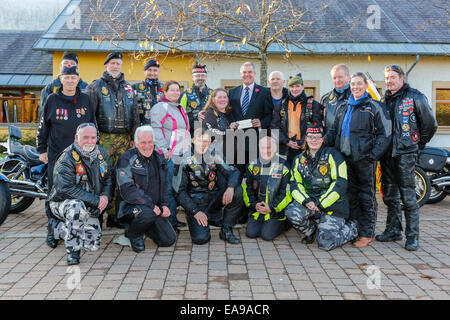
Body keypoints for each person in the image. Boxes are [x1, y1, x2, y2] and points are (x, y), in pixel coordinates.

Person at [325, 72, 392, 248]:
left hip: (364, 160)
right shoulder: (344, 106)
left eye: (359, 84)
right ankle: (355, 228)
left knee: (366, 196)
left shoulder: (374, 106)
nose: (355, 87)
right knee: (350, 195)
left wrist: (372, 156)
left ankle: (367, 233)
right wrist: (318, 143)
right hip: (345, 159)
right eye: (353, 84)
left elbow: (385, 134)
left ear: (365, 85)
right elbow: (333, 132)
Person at [376, 65, 438, 251]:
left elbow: (430, 125)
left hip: (405, 155)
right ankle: (393, 230)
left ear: (401, 78)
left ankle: (412, 237)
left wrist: (416, 146)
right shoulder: (384, 99)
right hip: (387, 155)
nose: (389, 81)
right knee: (389, 196)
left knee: (408, 197)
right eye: (387, 78)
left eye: (393, 77)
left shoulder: (415, 97)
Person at [36, 65, 97, 249]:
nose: (70, 81)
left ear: (78, 79)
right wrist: (41, 150)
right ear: (61, 79)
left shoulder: (86, 99)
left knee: (81, 190)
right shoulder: (52, 99)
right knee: (55, 193)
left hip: (82, 155)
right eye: (67, 77)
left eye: (73, 77)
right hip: (57, 155)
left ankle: (79, 227)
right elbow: (43, 127)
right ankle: (52, 230)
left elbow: (93, 125)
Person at [85, 51, 139, 227]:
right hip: (104, 139)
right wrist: (94, 138)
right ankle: (97, 214)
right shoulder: (95, 87)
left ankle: (116, 215)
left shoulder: (129, 88)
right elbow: (90, 115)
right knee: (100, 177)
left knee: (121, 177)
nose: (115, 66)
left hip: (124, 139)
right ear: (106, 65)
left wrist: (134, 136)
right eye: (112, 63)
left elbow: (134, 114)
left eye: (118, 63)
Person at [48, 123, 113, 265]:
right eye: (85, 137)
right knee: (76, 207)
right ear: (76, 138)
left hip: (90, 203)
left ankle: (58, 229)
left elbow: (108, 179)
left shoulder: (101, 154)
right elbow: (66, 189)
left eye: (93, 137)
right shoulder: (66, 158)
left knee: (92, 245)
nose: (90, 141)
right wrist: (96, 200)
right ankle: (73, 253)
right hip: (62, 202)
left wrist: (105, 197)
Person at [285, 124, 358, 250]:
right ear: (306, 139)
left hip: (333, 206)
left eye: (318, 137)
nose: (314, 140)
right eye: (311, 137)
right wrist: (306, 201)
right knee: (292, 213)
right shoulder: (298, 159)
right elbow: (295, 185)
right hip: (311, 203)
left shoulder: (334, 155)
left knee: (325, 243)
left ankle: (352, 228)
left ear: (323, 139)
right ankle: (311, 231)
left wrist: (320, 204)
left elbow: (340, 184)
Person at [175, 128, 243, 244]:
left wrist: (230, 187)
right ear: (193, 140)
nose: (203, 144)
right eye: (200, 141)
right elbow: (179, 192)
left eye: (206, 141)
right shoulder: (183, 161)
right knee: (200, 239)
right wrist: (195, 211)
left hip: (213, 201)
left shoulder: (214, 157)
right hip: (196, 204)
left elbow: (234, 172)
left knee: (237, 190)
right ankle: (199, 219)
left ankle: (226, 229)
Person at [115, 126, 177, 253]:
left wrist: (165, 205)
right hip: (129, 207)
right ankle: (133, 234)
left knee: (168, 240)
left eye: (150, 142)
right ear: (136, 143)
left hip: (153, 208)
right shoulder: (126, 159)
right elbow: (127, 190)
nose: (147, 146)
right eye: (143, 142)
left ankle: (145, 227)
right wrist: (150, 205)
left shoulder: (159, 159)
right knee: (147, 213)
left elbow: (164, 186)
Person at [151, 80, 191, 230]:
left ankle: (173, 218)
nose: (175, 92)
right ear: (165, 92)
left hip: (181, 155)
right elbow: (156, 128)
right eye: (172, 90)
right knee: (168, 188)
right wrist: (163, 149)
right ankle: (169, 221)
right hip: (169, 155)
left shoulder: (180, 107)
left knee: (177, 187)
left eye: (177, 90)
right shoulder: (161, 107)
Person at [228, 62, 274, 174]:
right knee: (237, 175)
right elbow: (227, 113)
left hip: (256, 142)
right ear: (241, 74)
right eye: (244, 72)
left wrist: (261, 122)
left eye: (250, 72)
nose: (247, 74)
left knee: (255, 176)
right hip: (237, 142)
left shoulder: (264, 92)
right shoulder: (232, 92)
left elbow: (270, 115)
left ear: (255, 73)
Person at [243, 136, 291, 241]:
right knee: (251, 233)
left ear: (275, 149)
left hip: (275, 211)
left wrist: (272, 208)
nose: (266, 150)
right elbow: (246, 188)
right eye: (263, 147)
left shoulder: (284, 166)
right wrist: (253, 204)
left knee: (266, 235)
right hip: (257, 210)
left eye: (269, 147)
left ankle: (285, 224)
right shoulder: (252, 165)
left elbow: (287, 193)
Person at [270, 73, 323, 166]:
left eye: (297, 86)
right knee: (286, 177)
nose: (295, 89)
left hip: (306, 148)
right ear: (288, 88)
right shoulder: (281, 105)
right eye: (292, 86)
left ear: (303, 86)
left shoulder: (313, 105)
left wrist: (303, 141)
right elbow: (274, 127)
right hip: (285, 149)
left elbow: (317, 126)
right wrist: (287, 142)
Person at [38, 52, 88, 119]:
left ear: (77, 68)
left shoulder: (86, 88)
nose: (68, 66)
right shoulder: (49, 88)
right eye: (65, 63)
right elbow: (43, 113)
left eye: (72, 64)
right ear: (60, 66)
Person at [202, 88, 239, 161]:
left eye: (225, 97)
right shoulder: (210, 113)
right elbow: (212, 131)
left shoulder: (230, 113)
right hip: (216, 156)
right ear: (213, 99)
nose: (223, 100)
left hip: (231, 155)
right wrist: (229, 128)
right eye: (219, 97)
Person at [180, 64, 214, 136]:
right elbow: (180, 116)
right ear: (192, 77)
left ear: (206, 77)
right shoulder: (185, 94)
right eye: (197, 75)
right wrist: (196, 118)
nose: (200, 78)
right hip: (191, 137)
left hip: (211, 136)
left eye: (203, 75)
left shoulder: (213, 94)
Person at [321, 64, 352, 133]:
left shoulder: (356, 96)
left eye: (340, 77)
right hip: (329, 141)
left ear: (348, 76)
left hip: (348, 142)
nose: (337, 80)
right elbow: (320, 121)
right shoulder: (326, 98)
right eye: (334, 78)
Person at [132, 59, 164, 125]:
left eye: (155, 70)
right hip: (142, 127)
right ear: (144, 71)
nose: (152, 73)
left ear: (159, 72)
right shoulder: (136, 87)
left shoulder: (164, 88)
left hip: (161, 127)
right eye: (149, 70)